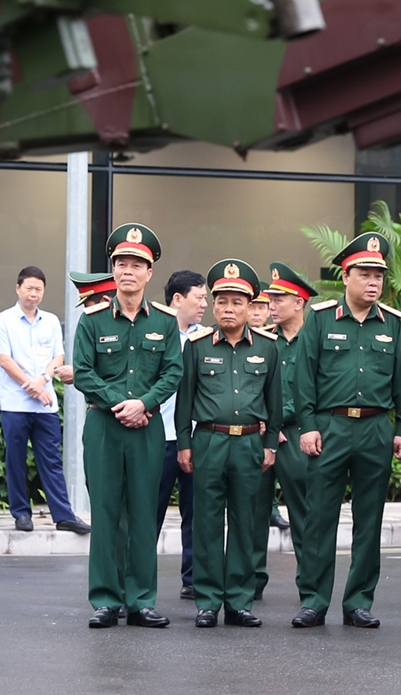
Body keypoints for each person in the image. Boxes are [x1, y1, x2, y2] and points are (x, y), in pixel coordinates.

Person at [292, 233, 401, 628]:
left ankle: (359, 601)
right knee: (319, 517)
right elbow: (304, 378)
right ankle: (313, 599)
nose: (374, 281)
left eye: (379, 274)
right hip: (331, 426)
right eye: (365, 273)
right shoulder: (322, 318)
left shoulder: (393, 325)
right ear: (346, 276)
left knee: (369, 519)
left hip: (376, 427)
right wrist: (308, 426)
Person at [74, 223, 183, 629]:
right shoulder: (94, 320)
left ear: (150, 272)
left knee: (142, 513)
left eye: (137, 264)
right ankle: (105, 599)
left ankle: (140, 600)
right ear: (113, 269)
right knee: (105, 513)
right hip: (104, 426)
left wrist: (144, 403)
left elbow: (173, 372)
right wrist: (122, 403)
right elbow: (84, 373)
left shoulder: (167, 323)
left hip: (147, 427)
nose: (128, 270)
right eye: (121, 263)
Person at [177, 260, 280, 628]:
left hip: (250, 444)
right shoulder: (197, 345)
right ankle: (207, 601)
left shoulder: (268, 348)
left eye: (237, 302)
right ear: (214, 306)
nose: (229, 309)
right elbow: (184, 401)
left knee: (245, 523)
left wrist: (271, 444)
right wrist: (184, 444)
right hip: (208, 441)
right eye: (221, 302)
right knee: (205, 522)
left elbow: (275, 401)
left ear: (250, 306)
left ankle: (238, 601)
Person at [0, 266, 88, 535]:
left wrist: (42, 380)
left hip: (45, 403)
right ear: (18, 288)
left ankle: (64, 515)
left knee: (51, 459)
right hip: (14, 404)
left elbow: (58, 357)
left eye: (39, 289)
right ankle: (21, 513)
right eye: (29, 288)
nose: (34, 294)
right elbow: (4, 360)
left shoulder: (52, 321)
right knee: (16, 459)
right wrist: (29, 385)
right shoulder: (3, 321)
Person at [253, 262, 318, 598]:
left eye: (279, 300)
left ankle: (310, 588)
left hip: (298, 435)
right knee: (253, 511)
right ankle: (249, 584)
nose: (271, 306)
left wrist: (281, 420)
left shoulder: (316, 340)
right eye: (270, 300)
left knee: (304, 514)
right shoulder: (263, 341)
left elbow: (321, 391)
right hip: (262, 432)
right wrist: (267, 421)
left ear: (299, 303)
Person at [156, 270, 209, 598]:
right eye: (199, 298)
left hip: (196, 437)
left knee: (198, 513)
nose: (205, 304)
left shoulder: (206, 338)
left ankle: (193, 580)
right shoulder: (156, 334)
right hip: (159, 436)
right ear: (177, 299)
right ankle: (139, 581)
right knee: (150, 513)